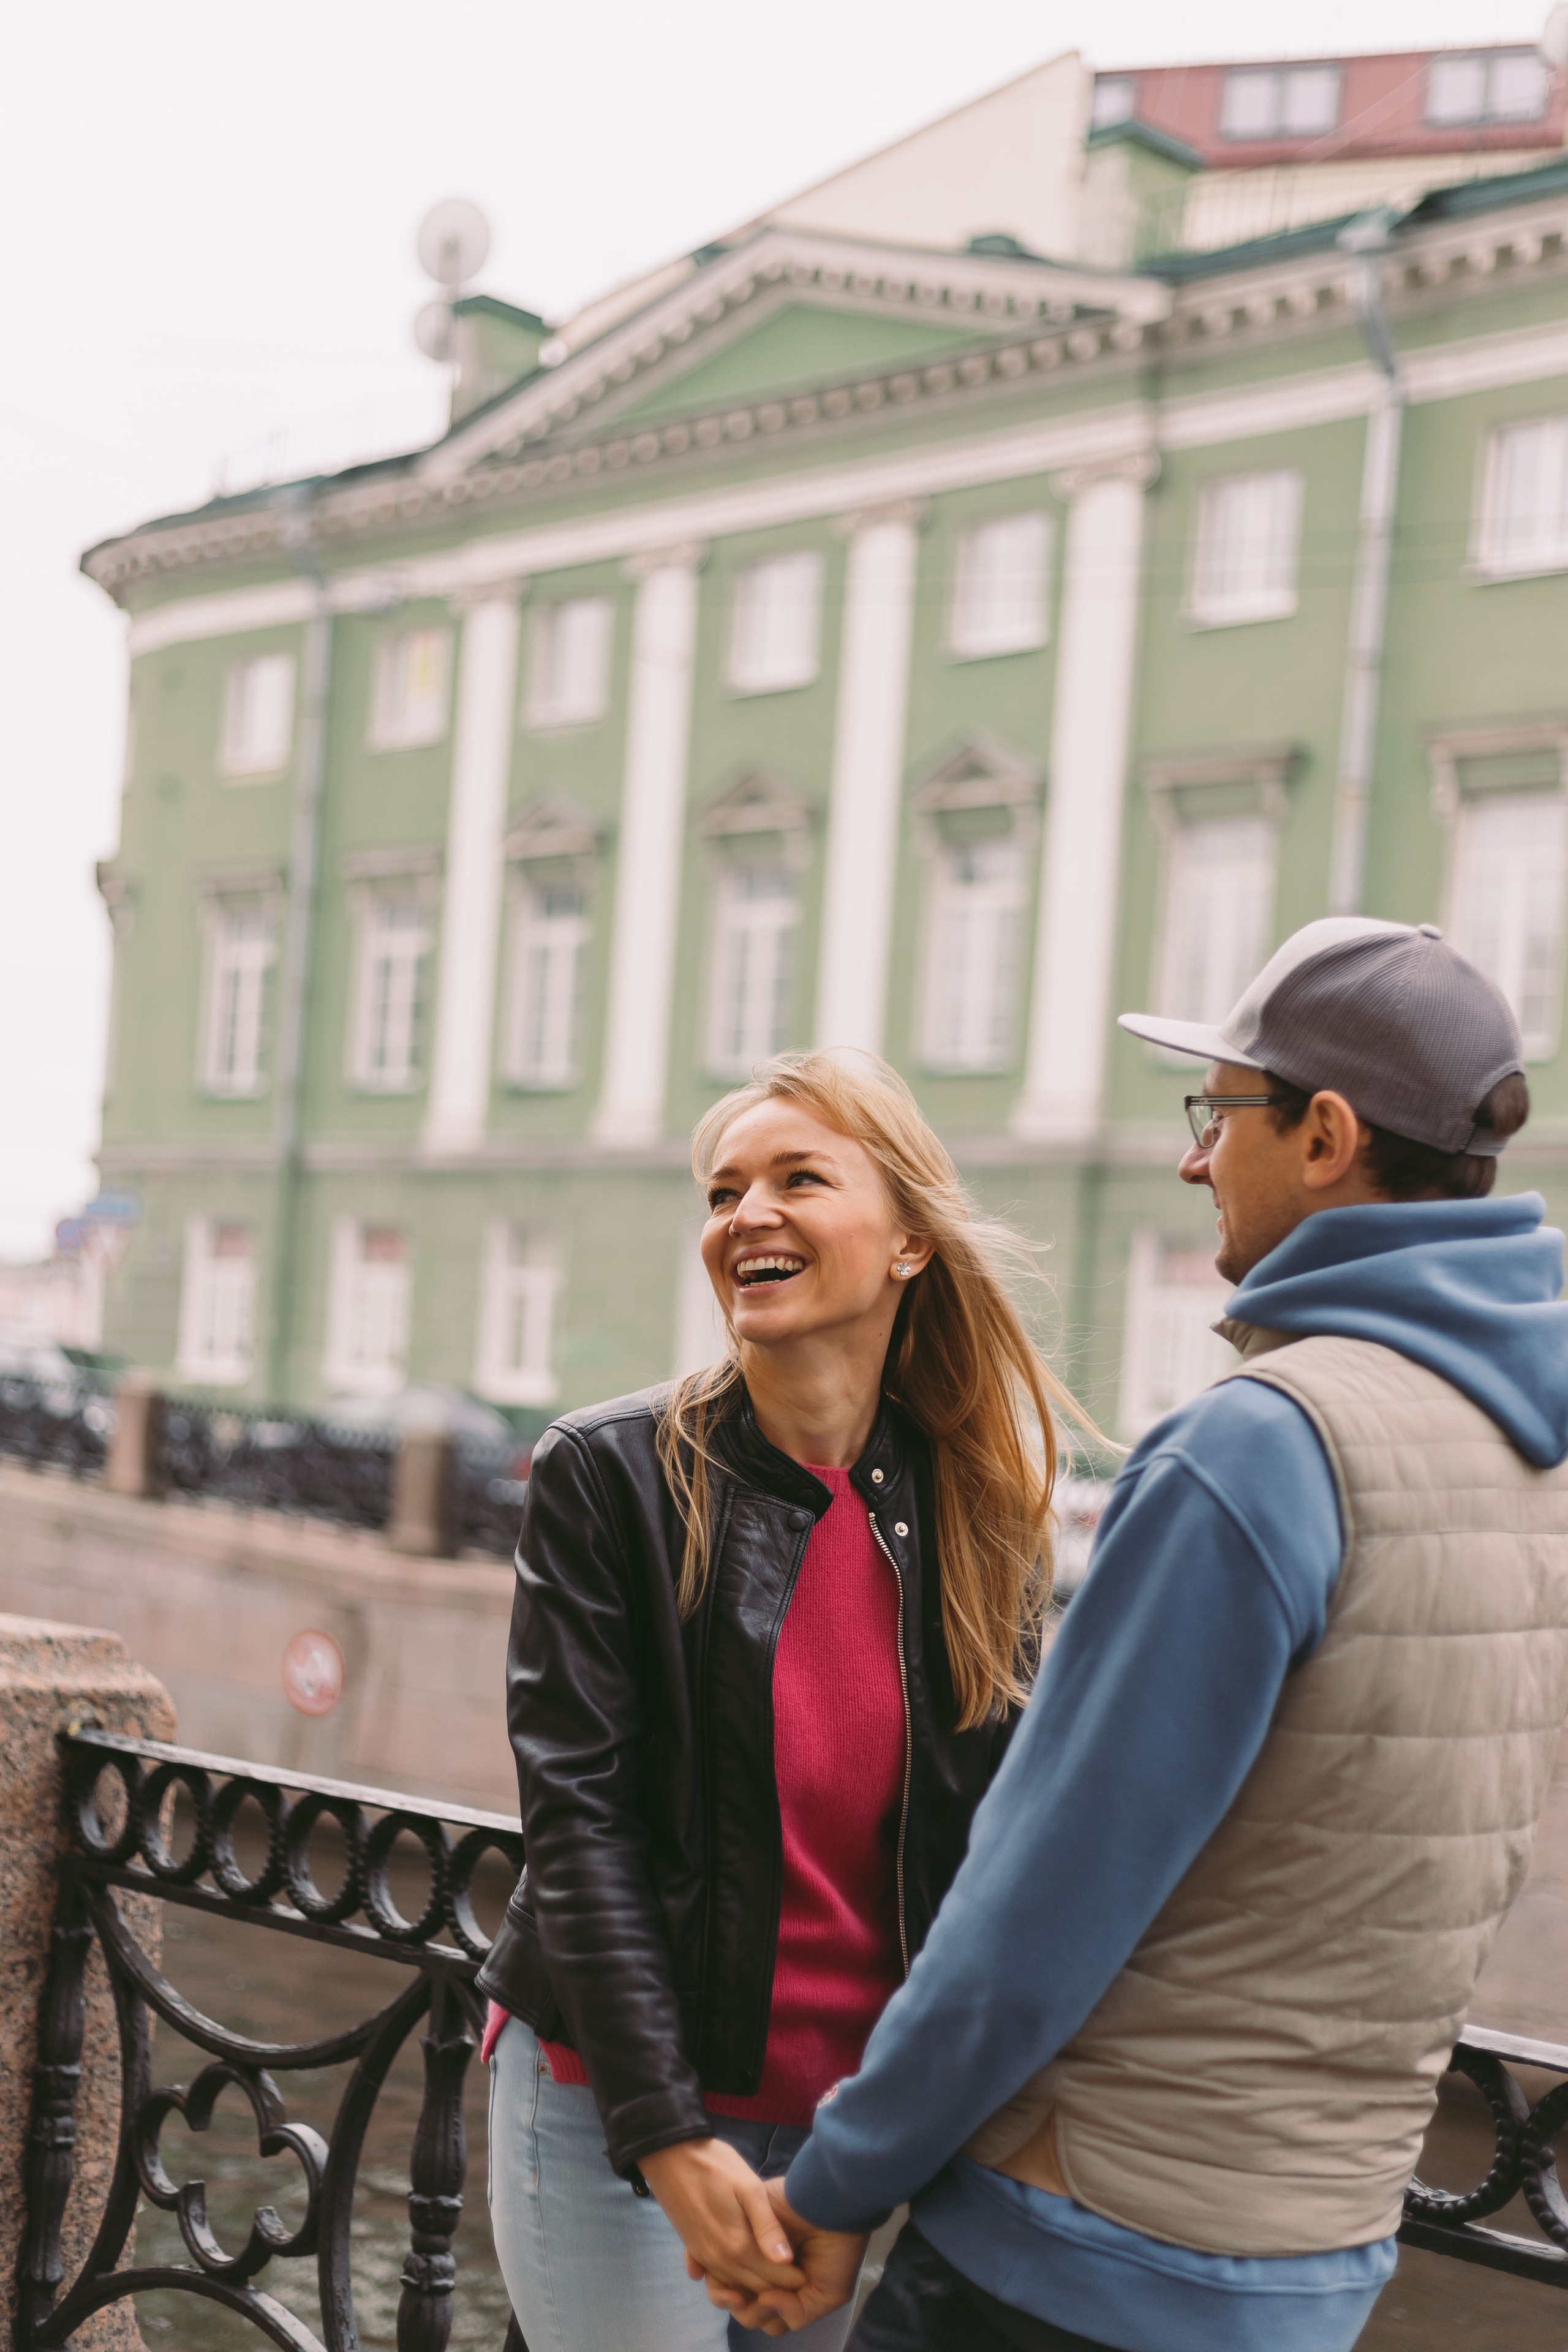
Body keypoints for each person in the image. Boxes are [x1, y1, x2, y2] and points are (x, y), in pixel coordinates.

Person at [701, 916, 1568, 2352]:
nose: (1189, 1158)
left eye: (1217, 1114)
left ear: (1324, 1136)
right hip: (1311, 2259)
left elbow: (1036, 1910)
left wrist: (840, 2187)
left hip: (1075, 2258)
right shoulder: (1533, 1455)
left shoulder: (1259, 1450)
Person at [477, 1049, 1088, 2351]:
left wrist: (878, 2153)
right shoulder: (611, 1475)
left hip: (838, 2139)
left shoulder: (978, 1513)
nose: (743, 1215)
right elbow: (575, 1824)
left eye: (796, 1179)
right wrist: (667, 2138)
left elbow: (986, 1861)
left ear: (909, 1241)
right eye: (721, 1191)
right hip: (614, 2100)